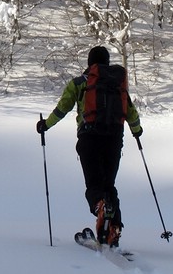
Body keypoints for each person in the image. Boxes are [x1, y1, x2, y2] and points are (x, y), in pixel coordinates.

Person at [38, 45, 142, 247]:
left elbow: (63, 107)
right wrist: (137, 131)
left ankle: (100, 206)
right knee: (109, 185)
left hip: (89, 137)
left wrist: (46, 125)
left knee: (94, 185)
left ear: (89, 63)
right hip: (114, 139)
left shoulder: (79, 83)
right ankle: (113, 229)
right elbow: (131, 113)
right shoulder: (118, 85)